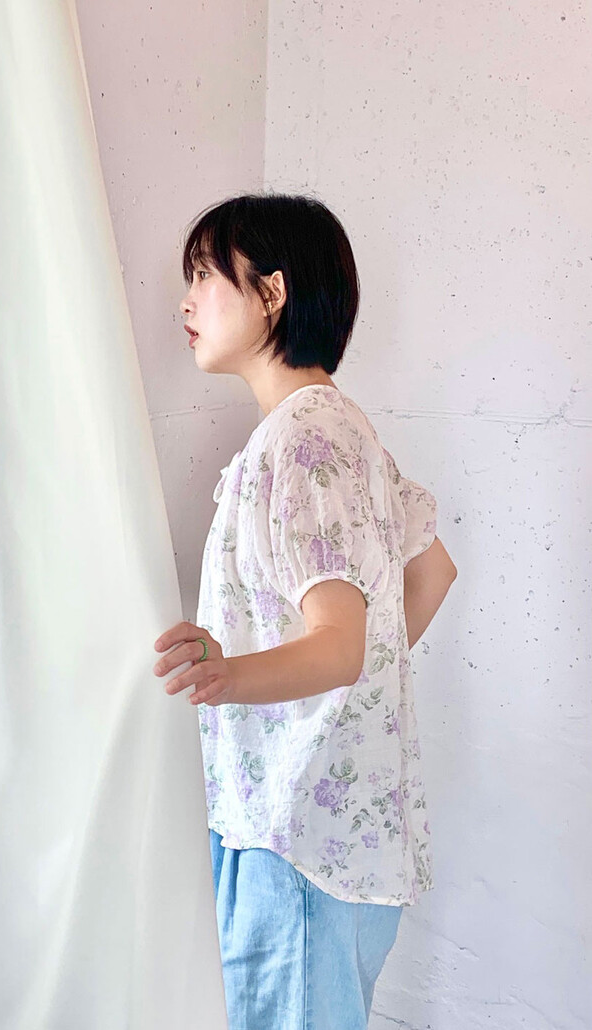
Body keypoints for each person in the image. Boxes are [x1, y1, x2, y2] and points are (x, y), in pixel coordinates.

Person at [152, 192, 458, 1030]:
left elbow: (340, 646)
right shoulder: (341, 431)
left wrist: (229, 675)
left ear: (273, 292)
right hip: (328, 841)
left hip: (295, 841)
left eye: (205, 275)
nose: (185, 301)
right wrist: (336, 690)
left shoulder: (300, 441)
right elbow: (431, 573)